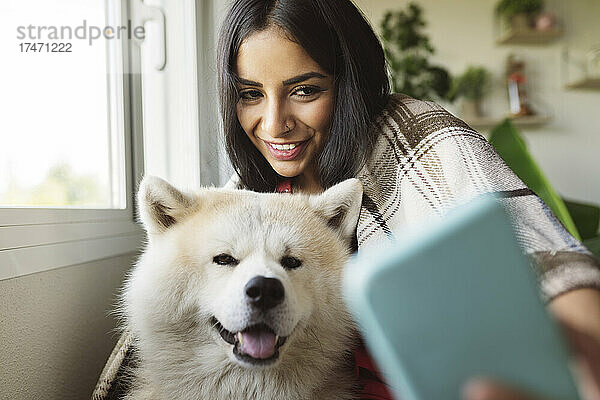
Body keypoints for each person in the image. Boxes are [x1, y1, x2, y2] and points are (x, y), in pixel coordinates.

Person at [217, 0, 600, 399]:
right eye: (250, 94)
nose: (275, 124)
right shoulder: (247, 193)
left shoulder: (413, 135)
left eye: (305, 90)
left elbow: (542, 256)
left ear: (348, 81)